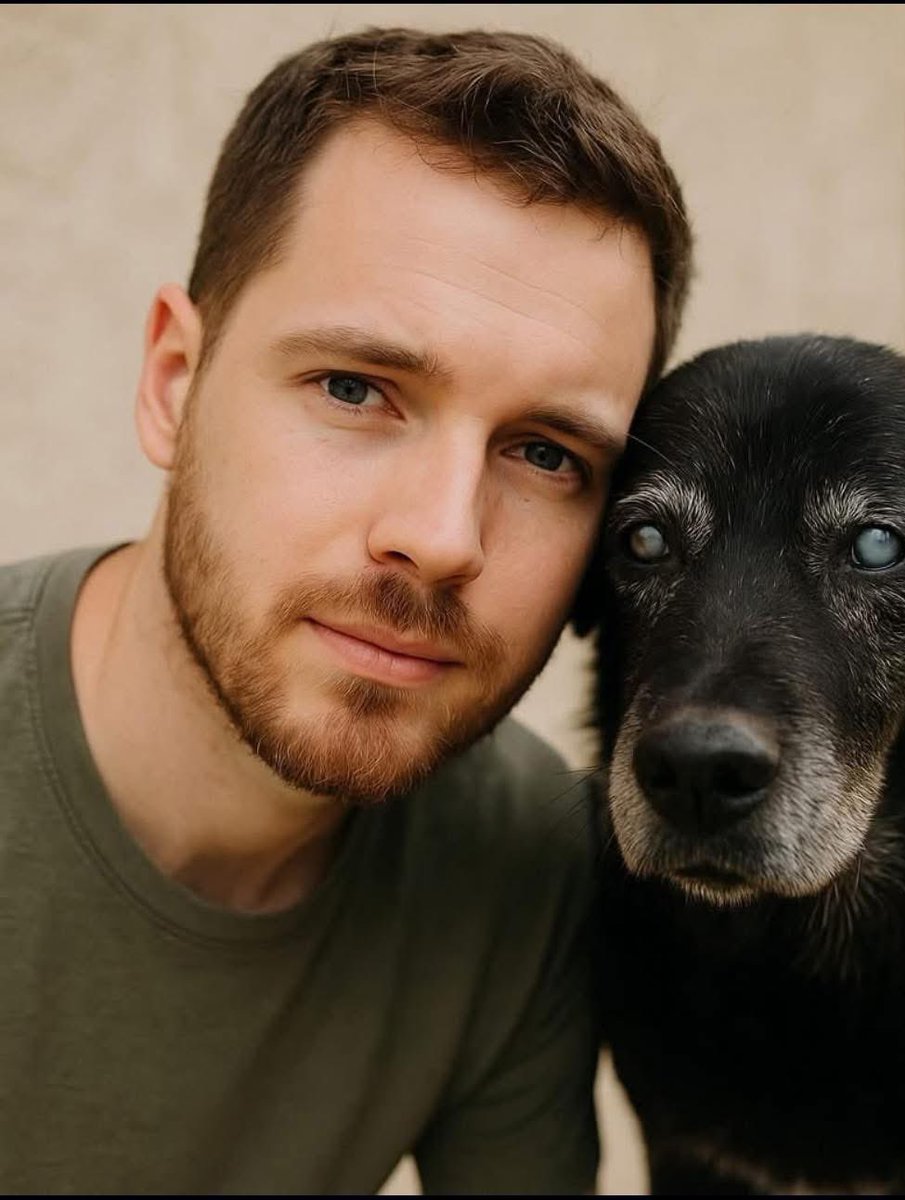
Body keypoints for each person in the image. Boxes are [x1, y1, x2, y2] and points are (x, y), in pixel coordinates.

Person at [0, 25, 691, 1194]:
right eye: (356, 388)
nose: (442, 536)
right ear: (174, 382)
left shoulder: (518, 853)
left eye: (544, 453)